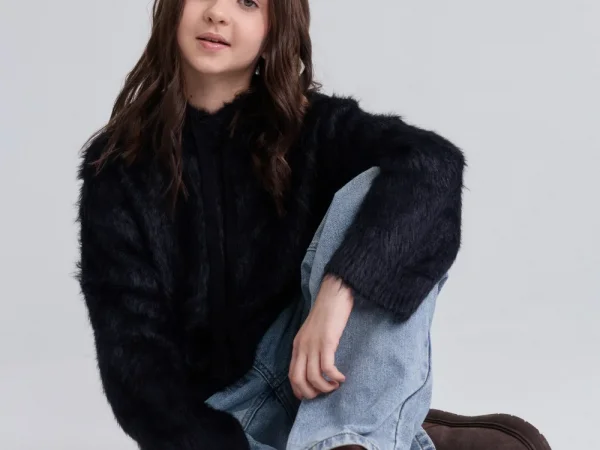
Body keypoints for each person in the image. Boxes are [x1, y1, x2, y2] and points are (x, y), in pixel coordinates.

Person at [76, 0, 465, 449]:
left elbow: (433, 165)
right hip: (225, 416)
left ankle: (351, 436)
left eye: (247, 2)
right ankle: (395, 436)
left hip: (323, 377)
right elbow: (133, 358)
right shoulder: (118, 168)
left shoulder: (315, 128)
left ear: (274, 27)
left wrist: (340, 289)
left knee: (382, 191)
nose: (217, 13)